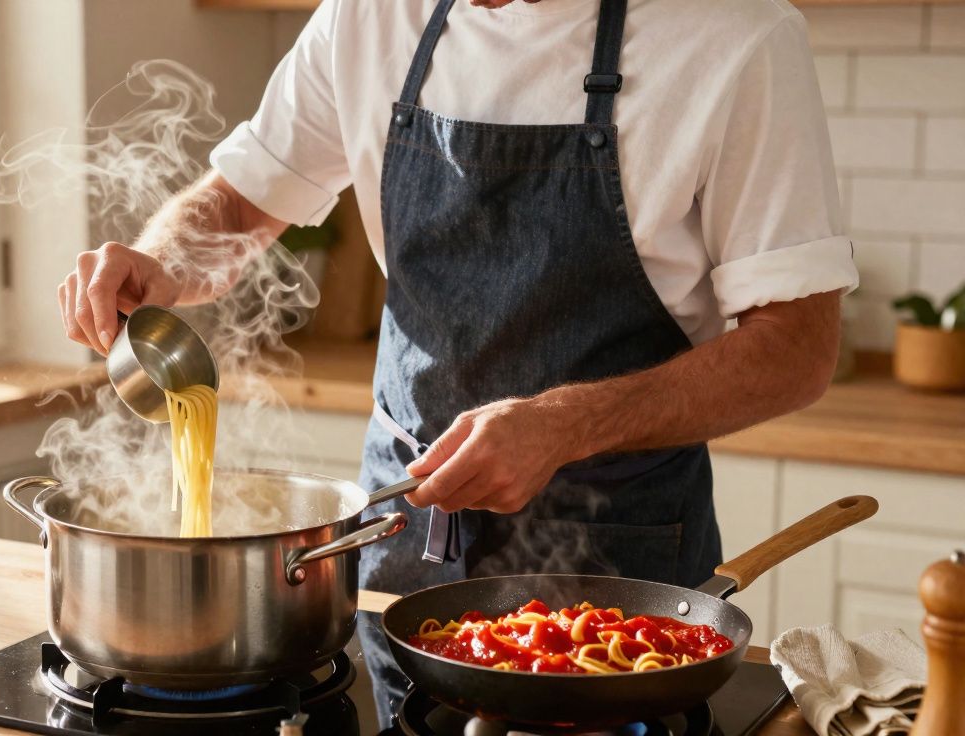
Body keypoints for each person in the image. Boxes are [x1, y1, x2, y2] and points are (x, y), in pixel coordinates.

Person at [57, 0, 857, 725]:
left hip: (611, 567)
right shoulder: (367, 16)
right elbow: (239, 200)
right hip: (404, 534)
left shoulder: (737, 36)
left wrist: (561, 423)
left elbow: (797, 348)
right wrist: (162, 259)